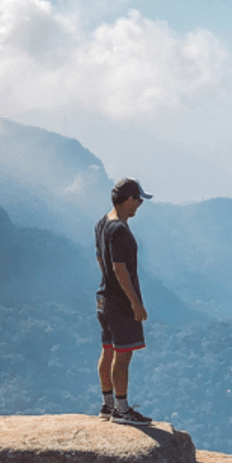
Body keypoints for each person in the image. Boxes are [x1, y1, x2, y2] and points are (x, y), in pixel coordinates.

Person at [95, 177, 154, 425]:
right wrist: (135, 302)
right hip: (120, 302)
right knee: (123, 354)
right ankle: (122, 409)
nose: (140, 205)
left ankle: (107, 406)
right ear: (129, 200)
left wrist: (107, 282)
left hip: (104, 298)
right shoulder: (119, 230)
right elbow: (120, 269)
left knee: (107, 350)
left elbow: (100, 259)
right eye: (139, 200)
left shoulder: (102, 223)